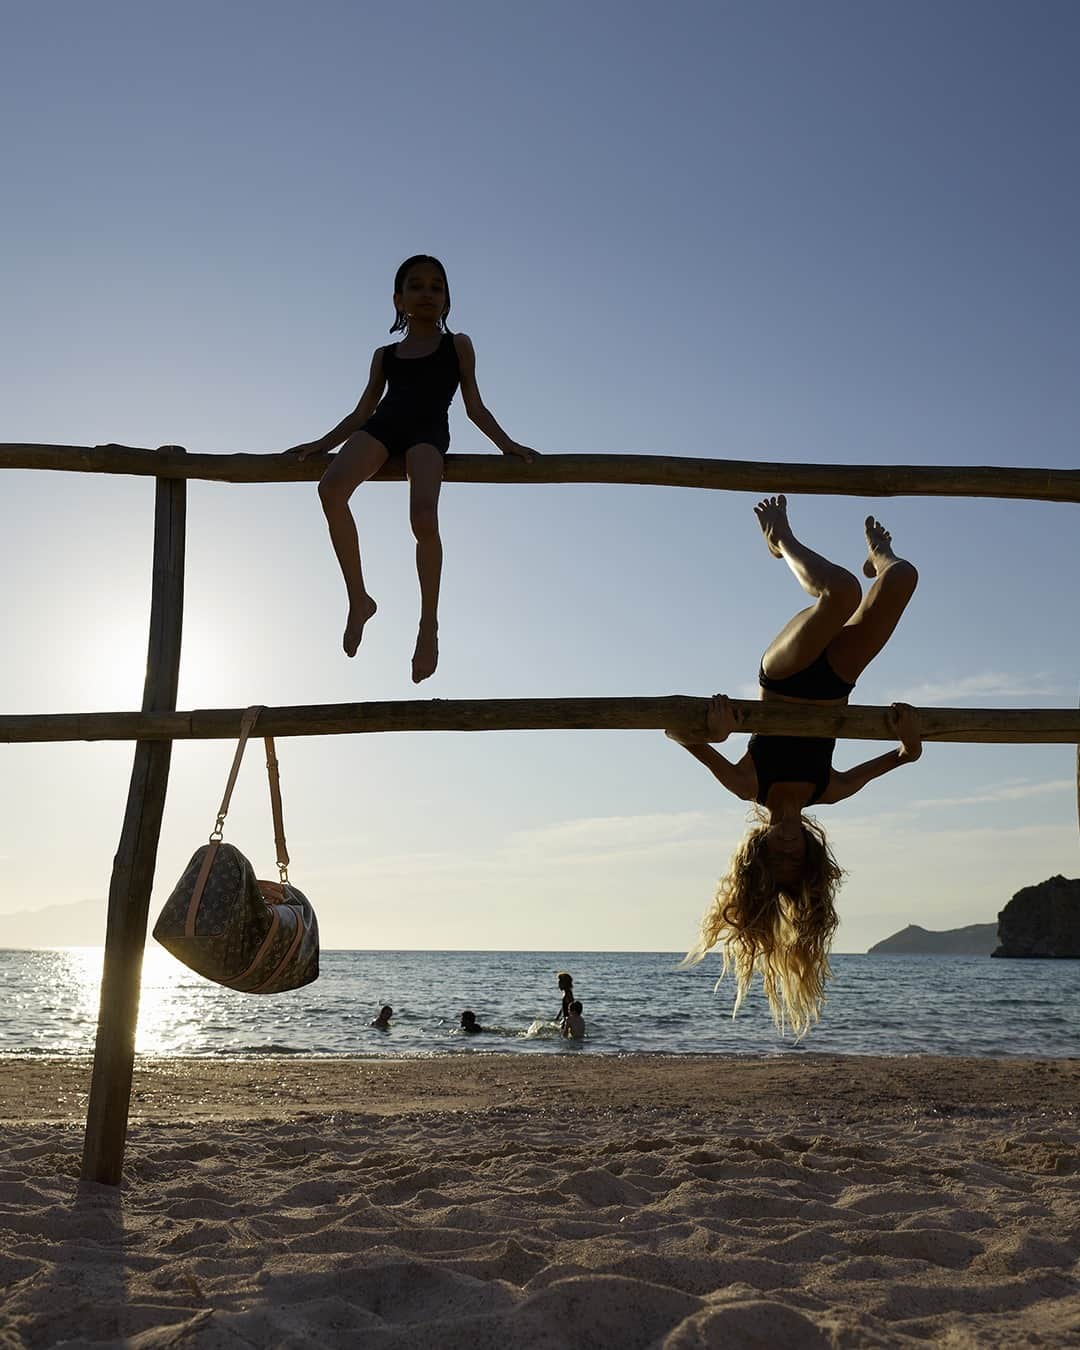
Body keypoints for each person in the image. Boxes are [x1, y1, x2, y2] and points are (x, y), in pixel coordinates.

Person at [668, 495, 922, 1037]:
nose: (787, 849)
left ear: (760, 852)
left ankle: (780, 539)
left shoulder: (747, 783)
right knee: (901, 580)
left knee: (842, 593)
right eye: (796, 858)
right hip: (835, 685)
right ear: (808, 850)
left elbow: (675, 732)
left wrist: (712, 731)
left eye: (776, 859)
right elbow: (896, 761)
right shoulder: (826, 790)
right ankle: (881, 553)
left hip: (782, 677)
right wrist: (909, 746)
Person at [283, 254, 539, 682]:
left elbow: (474, 406)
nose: (427, 293)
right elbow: (362, 412)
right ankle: (359, 599)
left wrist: (507, 445)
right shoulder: (385, 355)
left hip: (427, 433)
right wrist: (320, 444)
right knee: (330, 490)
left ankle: (428, 626)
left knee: (423, 517)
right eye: (417, 286)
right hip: (384, 427)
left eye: (437, 287)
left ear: (447, 299)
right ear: (398, 299)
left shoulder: (457, 345)